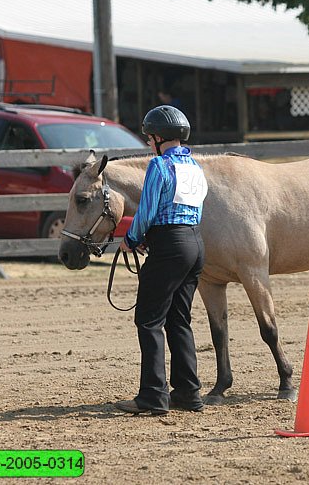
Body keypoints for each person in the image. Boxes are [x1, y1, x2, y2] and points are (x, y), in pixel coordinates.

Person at [114, 105, 208, 415]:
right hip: (195, 243)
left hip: (170, 247)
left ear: (157, 137)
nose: (147, 143)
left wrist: (131, 239)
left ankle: (153, 396)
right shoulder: (195, 167)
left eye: (148, 138)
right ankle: (188, 392)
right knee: (179, 320)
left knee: (148, 319)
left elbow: (147, 210)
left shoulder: (159, 166)